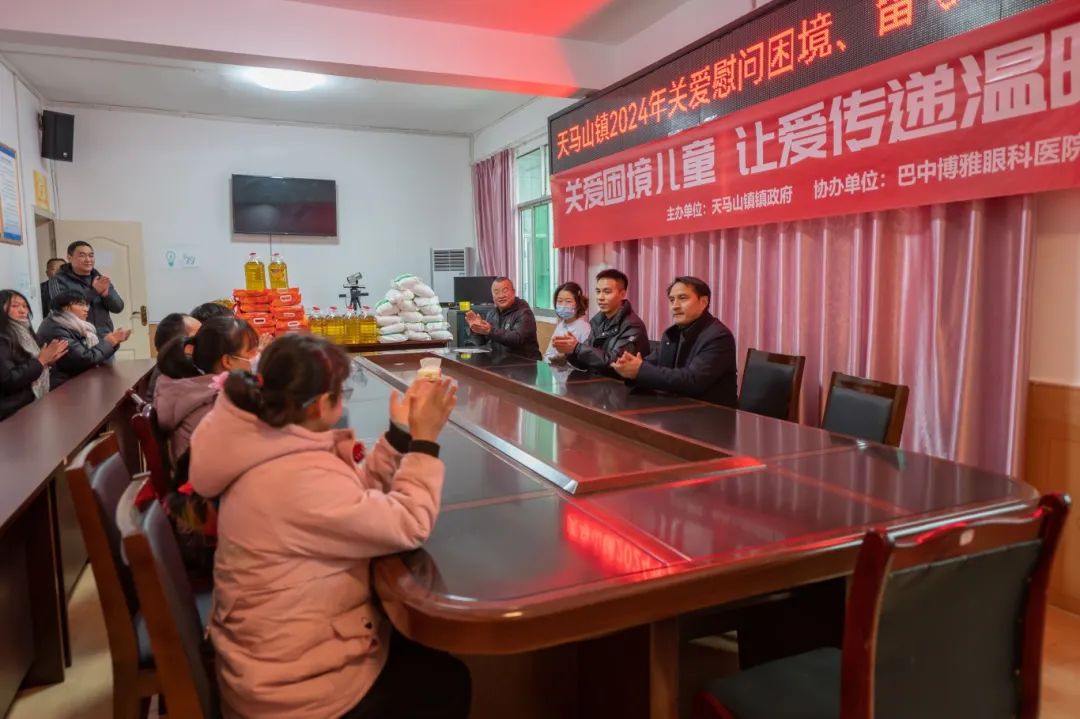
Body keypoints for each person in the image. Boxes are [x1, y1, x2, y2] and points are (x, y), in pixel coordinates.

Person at [189, 334, 469, 719]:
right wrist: (424, 442)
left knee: (417, 648)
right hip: (295, 693)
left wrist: (398, 436)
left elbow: (349, 498)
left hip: (270, 661)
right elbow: (410, 523)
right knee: (450, 682)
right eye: (342, 392)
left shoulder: (266, 442)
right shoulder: (297, 476)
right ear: (323, 404)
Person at [611, 276, 738, 407]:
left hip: (712, 413)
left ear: (703, 302)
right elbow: (652, 364)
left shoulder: (718, 336)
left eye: (683, 298)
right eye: (672, 300)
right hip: (677, 408)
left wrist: (640, 370)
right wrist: (629, 367)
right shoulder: (673, 333)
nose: (675, 306)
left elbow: (693, 380)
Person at [155, 315, 257, 463]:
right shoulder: (216, 402)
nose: (255, 358)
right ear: (227, 361)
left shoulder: (193, 388)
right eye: (251, 353)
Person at [554, 269, 649, 376]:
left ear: (622, 294)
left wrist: (577, 348)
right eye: (598, 291)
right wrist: (570, 351)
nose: (600, 297)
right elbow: (584, 363)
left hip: (619, 384)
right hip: (597, 381)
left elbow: (616, 362)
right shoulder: (597, 321)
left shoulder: (633, 326)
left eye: (607, 292)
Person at [36, 289, 131, 388]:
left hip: (76, 381)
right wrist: (110, 342)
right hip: (63, 387)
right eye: (81, 305)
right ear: (65, 307)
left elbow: (90, 352)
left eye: (86, 305)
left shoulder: (74, 325)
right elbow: (83, 359)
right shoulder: (56, 328)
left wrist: (112, 341)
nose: (86, 309)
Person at [0, 289, 68, 420]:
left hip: (32, 402)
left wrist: (48, 361)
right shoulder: (2, 338)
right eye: (15, 306)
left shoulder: (26, 332)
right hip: (13, 412)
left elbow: (32, 364)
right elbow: (8, 379)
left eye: (25, 306)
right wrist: (41, 361)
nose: (22, 310)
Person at [47, 241, 125, 340]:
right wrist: (94, 291)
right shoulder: (58, 280)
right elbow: (60, 310)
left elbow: (118, 307)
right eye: (82, 255)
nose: (88, 260)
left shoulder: (99, 278)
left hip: (104, 338)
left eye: (91, 255)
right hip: (76, 339)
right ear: (69, 258)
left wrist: (106, 295)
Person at [465, 276, 541, 359]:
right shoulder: (491, 314)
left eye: (505, 291)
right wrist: (476, 329)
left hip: (525, 363)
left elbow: (517, 339)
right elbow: (480, 343)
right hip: (501, 362)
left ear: (513, 292)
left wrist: (490, 331)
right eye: (496, 292)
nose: (501, 296)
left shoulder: (524, 312)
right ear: (492, 296)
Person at [145, 312, 201, 400]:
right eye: (198, 337)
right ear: (178, 343)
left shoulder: (167, 366)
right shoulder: (175, 376)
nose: (205, 341)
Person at [544, 281, 591, 365]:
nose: (563, 305)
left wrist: (566, 360)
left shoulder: (585, 329)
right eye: (560, 301)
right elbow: (548, 355)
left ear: (578, 304)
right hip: (556, 370)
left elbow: (587, 361)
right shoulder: (560, 325)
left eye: (568, 301)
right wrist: (554, 359)